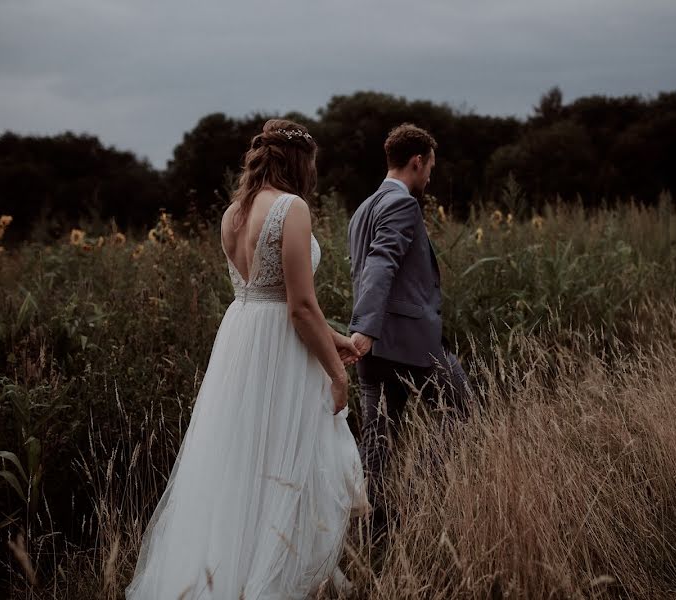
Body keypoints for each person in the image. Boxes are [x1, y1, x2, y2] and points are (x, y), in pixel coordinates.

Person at [126, 119, 368, 599]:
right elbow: (297, 306)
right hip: (281, 349)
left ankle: (224, 573)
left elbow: (273, 296)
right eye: (313, 164)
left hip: (242, 338)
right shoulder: (291, 208)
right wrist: (337, 373)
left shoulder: (233, 214)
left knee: (241, 462)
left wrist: (334, 336)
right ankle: (272, 579)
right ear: (300, 162)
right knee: (283, 461)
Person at [347, 123, 472, 534]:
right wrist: (366, 328)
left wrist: (365, 333)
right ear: (416, 162)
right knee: (463, 408)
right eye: (429, 168)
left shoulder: (362, 209)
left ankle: (374, 525)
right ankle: (418, 495)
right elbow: (381, 262)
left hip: (375, 349)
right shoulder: (402, 205)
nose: (430, 177)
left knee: (378, 439)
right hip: (407, 343)